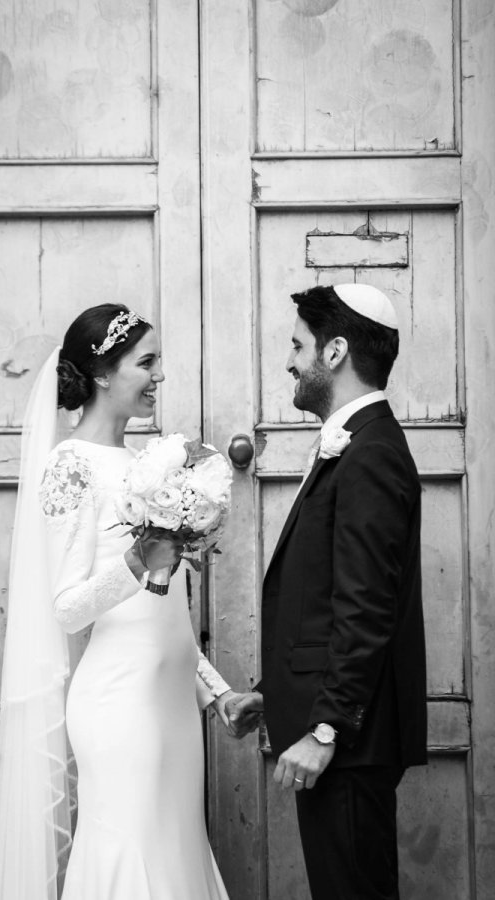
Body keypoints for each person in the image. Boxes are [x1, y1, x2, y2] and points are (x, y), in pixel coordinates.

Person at [0, 304, 237, 900]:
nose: (160, 376)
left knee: (176, 856)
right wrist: (135, 561)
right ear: (102, 373)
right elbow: (68, 608)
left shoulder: (149, 467)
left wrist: (218, 693)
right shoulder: (70, 466)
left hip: (172, 706)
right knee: (132, 862)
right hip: (120, 705)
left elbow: (159, 613)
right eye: (146, 363)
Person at [228, 284, 427, 900]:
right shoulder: (357, 444)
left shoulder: (370, 454)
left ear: (335, 350)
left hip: (347, 744)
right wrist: (277, 695)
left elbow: (366, 610)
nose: (289, 360)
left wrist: (325, 731)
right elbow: (327, 600)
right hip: (338, 732)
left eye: (297, 345)